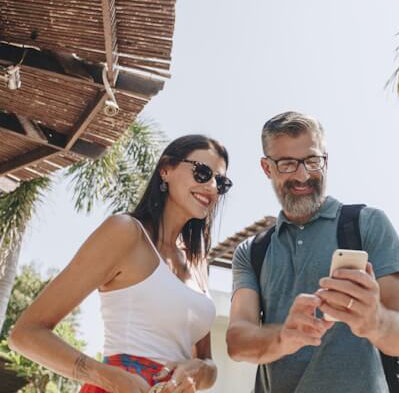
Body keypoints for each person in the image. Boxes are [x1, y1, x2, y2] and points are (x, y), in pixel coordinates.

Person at [9, 135, 233, 393]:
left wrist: (204, 371)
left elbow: (205, 359)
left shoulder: (198, 262)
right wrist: (107, 377)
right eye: (202, 172)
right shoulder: (125, 232)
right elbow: (26, 333)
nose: (212, 187)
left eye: (221, 182)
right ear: (166, 169)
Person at [226, 111, 399, 393]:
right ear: (267, 168)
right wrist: (284, 336)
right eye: (288, 164)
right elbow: (237, 341)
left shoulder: (368, 224)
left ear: (326, 161)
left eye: (312, 161)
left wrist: (374, 321)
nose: (303, 175)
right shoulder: (252, 252)